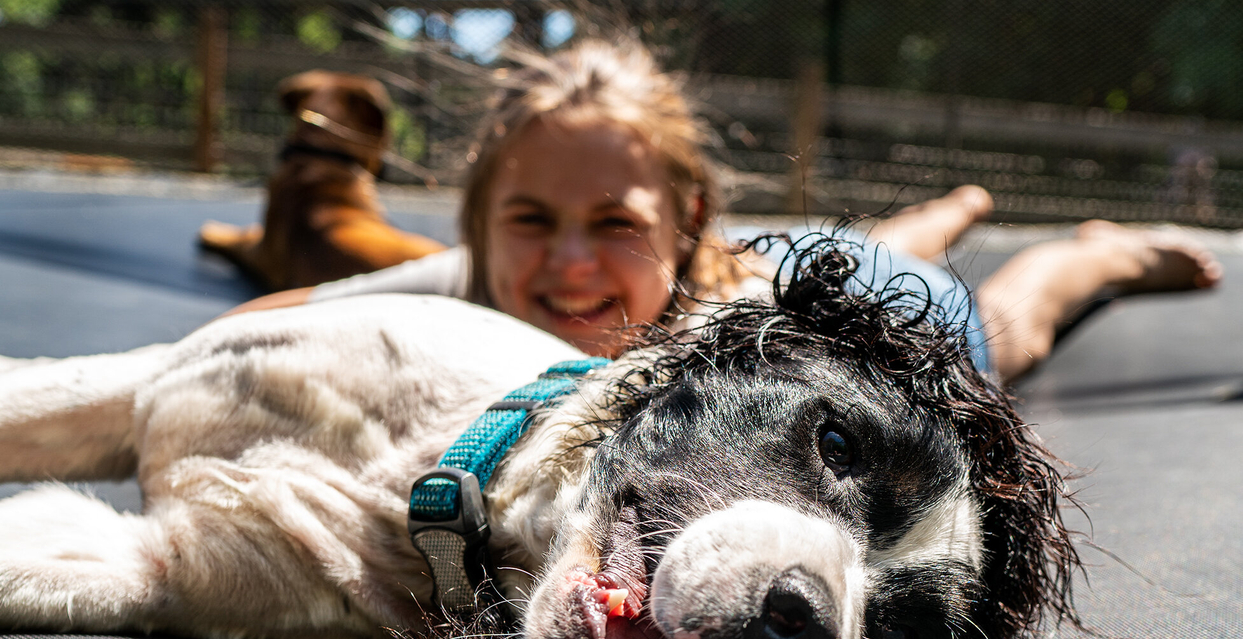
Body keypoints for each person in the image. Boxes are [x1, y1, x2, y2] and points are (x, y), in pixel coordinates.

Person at [226, 39, 1222, 383]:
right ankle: (943, 206)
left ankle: (1102, 251)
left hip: (887, 309)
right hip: (790, 253)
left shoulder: (748, 334)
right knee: (860, 244)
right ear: (478, 220)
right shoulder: (467, 280)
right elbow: (254, 328)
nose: (568, 263)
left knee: (1018, 318)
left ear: (681, 219)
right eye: (530, 221)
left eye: (613, 224)